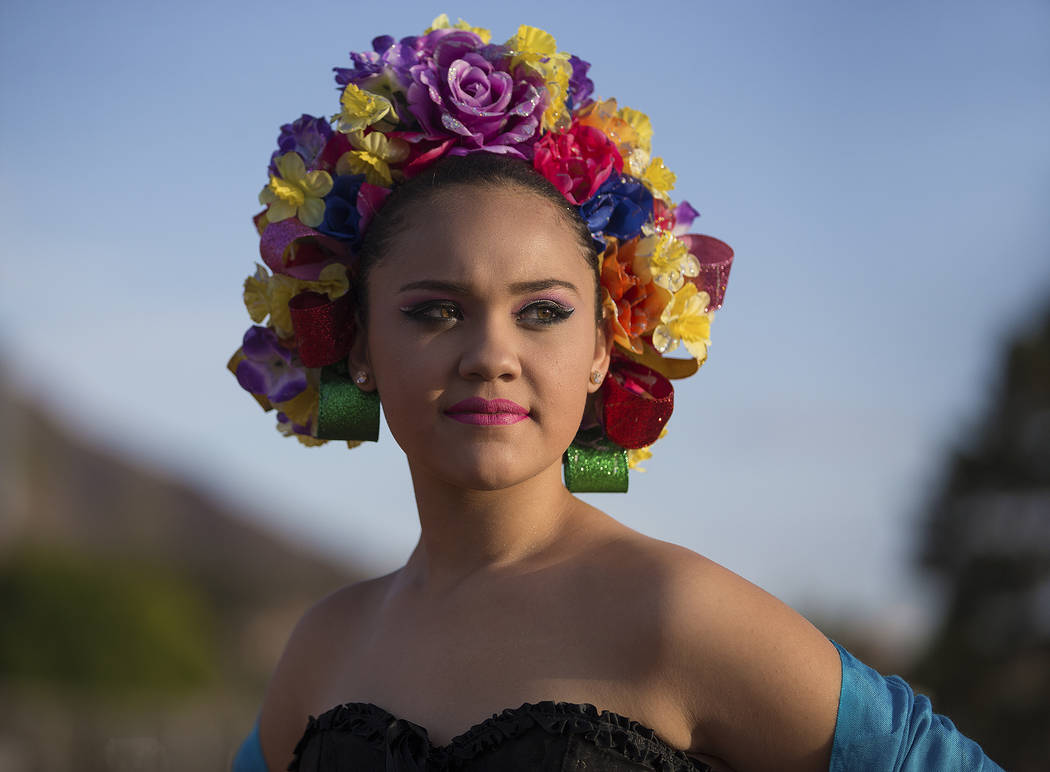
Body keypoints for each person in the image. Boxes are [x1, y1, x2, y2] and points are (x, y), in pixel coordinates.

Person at [229, 17, 1003, 771]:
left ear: (603, 348)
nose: (493, 356)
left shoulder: (681, 614)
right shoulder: (324, 646)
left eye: (542, 313)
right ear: (357, 345)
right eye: (437, 311)